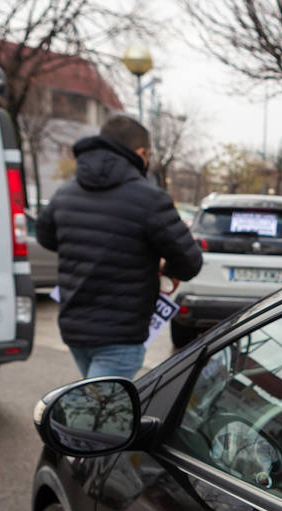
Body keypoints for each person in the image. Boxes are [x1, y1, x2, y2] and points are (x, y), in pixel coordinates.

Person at [35, 115, 202, 379]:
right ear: (141, 153)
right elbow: (190, 262)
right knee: (102, 416)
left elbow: (46, 237)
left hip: (74, 329)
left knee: (94, 407)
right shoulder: (150, 199)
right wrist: (163, 266)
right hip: (120, 334)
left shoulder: (65, 192)